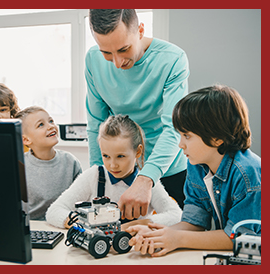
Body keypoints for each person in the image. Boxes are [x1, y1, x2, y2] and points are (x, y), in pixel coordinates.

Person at [126, 85, 261, 257]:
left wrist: (178, 239)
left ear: (217, 138)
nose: (180, 144)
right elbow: (194, 222)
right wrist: (159, 234)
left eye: (187, 136)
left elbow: (236, 238)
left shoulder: (249, 174)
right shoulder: (196, 164)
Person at [85, 9, 190, 220]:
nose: (117, 62)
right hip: (121, 170)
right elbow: (97, 124)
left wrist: (145, 178)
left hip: (168, 170)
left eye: (124, 49)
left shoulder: (173, 59)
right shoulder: (92, 60)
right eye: (106, 52)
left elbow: (173, 127)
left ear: (140, 30)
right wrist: (99, 176)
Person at [46, 115, 182, 229]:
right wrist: (79, 223)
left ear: (138, 151)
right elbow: (54, 211)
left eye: (120, 156)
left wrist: (141, 224)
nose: (112, 165)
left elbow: (176, 215)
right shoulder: (93, 176)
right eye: (106, 156)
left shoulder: (146, 182)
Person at [15, 106, 82, 220]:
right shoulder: (19, 167)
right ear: (26, 140)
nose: (51, 126)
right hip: (33, 229)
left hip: (64, 225)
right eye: (41, 125)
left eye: (51, 121)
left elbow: (81, 200)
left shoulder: (71, 162)